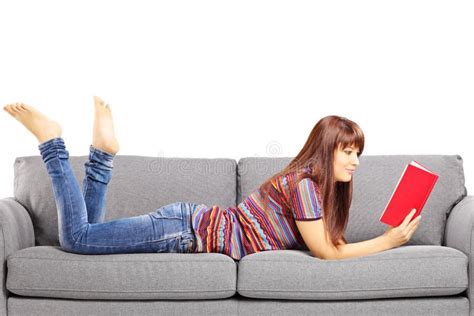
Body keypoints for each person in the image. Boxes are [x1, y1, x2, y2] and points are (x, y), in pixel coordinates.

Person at [3, 98, 421, 260]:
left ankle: (101, 157)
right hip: (181, 231)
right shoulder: (305, 186)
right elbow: (326, 255)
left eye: (357, 153)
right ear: (326, 148)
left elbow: (332, 245)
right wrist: (388, 241)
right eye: (348, 151)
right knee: (76, 240)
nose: (355, 162)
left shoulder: (313, 190)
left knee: (86, 235)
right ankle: (52, 143)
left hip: (185, 225)